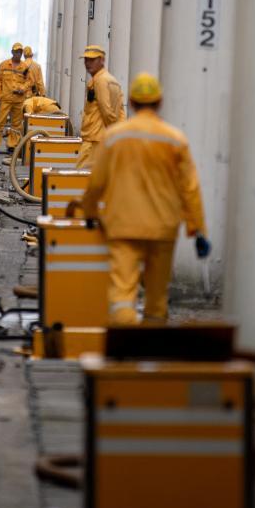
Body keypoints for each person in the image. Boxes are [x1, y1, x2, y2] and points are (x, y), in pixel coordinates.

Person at [79, 73, 211, 325]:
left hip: (123, 225)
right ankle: (151, 342)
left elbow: (96, 183)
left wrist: (89, 212)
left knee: (122, 295)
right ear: (160, 102)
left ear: (131, 101)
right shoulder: (175, 139)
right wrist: (197, 229)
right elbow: (190, 188)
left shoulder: (114, 137)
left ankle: (125, 340)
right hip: (163, 228)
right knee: (157, 298)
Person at [77, 45, 125, 168]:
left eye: (92, 60)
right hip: (103, 139)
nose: (88, 63)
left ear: (102, 60)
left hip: (94, 141)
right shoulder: (112, 81)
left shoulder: (99, 81)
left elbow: (107, 112)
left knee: (80, 176)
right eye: (86, 60)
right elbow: (121, 111)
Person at [0, 42, 29, 152]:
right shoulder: (3, 65)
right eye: (16, 52)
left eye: (20, 52)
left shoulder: (25, 67)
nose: (18, 54)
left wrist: (22, 88)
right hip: (6, 99)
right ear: (12, 52)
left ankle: (12, 145)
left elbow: (28, 81)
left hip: (18, 100)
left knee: (16, 125)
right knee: (0, 122)